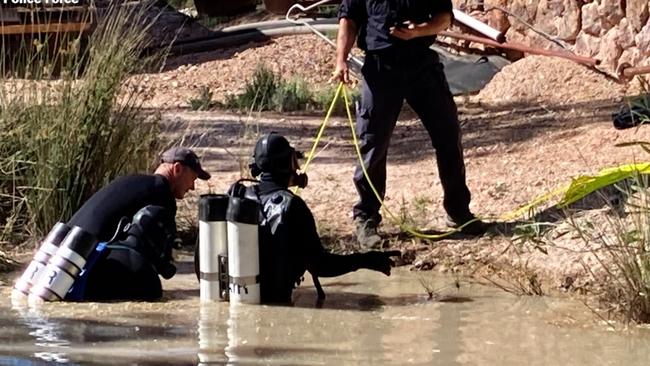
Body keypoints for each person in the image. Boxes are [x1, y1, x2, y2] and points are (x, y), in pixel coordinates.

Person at [332, 0, 488, 248]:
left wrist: (419, 30)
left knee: (448, 135)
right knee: (373, 144)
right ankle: (366, 218)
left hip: (422, 66)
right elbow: (348, 19)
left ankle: (459, 212)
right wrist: (341, 60)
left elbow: (444, 17)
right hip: (380, 67)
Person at [231, 132, 400, 304]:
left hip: (237, 298)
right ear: (289, 163)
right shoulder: (292, 206)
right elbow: (321, 265)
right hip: (278, 302)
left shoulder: (236, 197)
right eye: (294, 160)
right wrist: (366, 260)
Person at [67, 147, 211, 301]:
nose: (192, 187)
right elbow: (163, 263)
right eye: (193, 179)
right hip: (88, 273)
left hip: (66, 266)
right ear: (177, 169)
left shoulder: (129, 181)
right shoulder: (162, 194)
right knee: (150, 288)